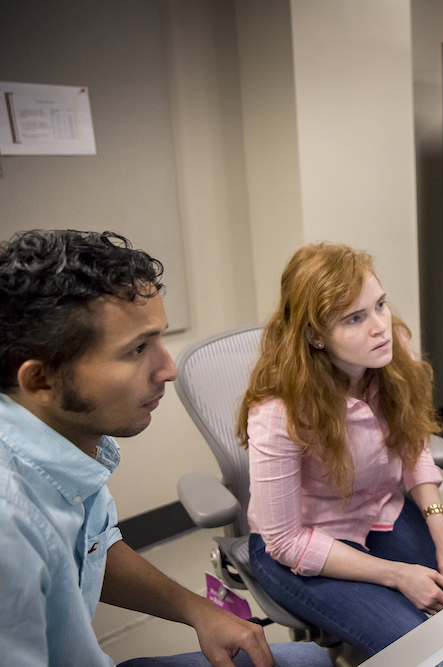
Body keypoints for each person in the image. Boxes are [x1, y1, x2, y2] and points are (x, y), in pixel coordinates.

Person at [0, 229, 332, 667]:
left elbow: (93, 546)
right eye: (138, 349)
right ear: (41, 380)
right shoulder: (9, 523)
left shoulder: (66, 444)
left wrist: (200, 612)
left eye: (159, 339)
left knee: (308, 661)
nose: (169, 368)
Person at [239, 243, 443, 658]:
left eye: (379, 304)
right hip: (304, 544)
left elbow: (413, 446)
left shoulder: (391, 354)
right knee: (417, 643)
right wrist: (397, 575)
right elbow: (285, 541)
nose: (380, 326)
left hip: (379, 512)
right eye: (355, 318)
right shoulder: (278, 412)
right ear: (315, 336)